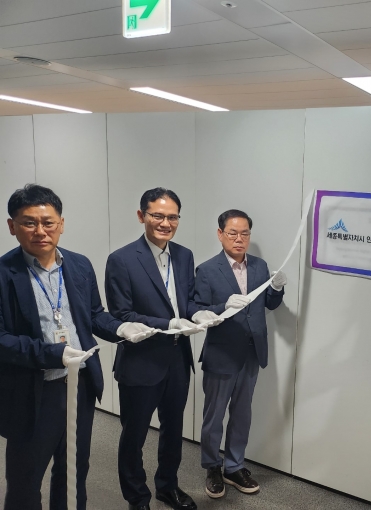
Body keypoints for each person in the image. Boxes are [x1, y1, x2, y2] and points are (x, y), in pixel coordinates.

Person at [0, 184, 155, 510]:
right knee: (25, 481)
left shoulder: (79, 265)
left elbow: (94, 315)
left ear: (61, 224)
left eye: (48, 222)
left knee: (73, 473)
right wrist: (52, 354)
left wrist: (120, 328)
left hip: (80, 386)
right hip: (32, 392)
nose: (40, 231)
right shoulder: (3, 273)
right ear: (12, 226)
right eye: (29, 223)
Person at [105, 188, 218, 510]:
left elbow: (188, 301)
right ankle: (137, 498)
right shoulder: (122, 260)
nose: (165, 223)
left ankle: (167, 487)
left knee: (173, 431)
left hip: (178, 360)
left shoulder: (184, 256)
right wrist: (169, 323)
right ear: (142, 216)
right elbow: (121, 314)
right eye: (157, 216)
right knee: (134, 436)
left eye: (172, 217)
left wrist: (198, 313)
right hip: (141, 361)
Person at [193, 209, 286, 498]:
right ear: (220, 234)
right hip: (221, 353)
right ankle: (212, 467)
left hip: (252, 352)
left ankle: (234, 466)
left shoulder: (259, 266)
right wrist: (223, 307)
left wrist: (277, 288)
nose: (239, 239)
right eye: (232, 233)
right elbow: (197, 309)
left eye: (244, 233)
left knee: (242, 414)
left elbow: (269, 303)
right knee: (214, 416)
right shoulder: (207, 270)